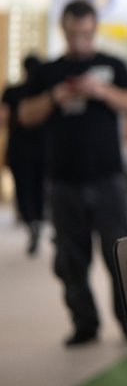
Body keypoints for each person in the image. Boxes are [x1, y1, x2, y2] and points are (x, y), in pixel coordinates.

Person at [18, 0, 127, 346]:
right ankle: (84, 324)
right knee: (70, 259)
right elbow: (25, 115)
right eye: (74, 34)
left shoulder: (112, 64)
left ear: (94, 29)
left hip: (107, 177)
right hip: (63, 180)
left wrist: (100, 90)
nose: (80, 41)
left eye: (86, 34)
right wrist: (55, 96)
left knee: (119, 256)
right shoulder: (48, 72)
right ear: (64, 29)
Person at [1, 53, 47, 255]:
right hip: (44, 148)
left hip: (19, 148)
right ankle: (39, 220)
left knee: (23, 188)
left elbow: (3, 119)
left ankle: (31, 222)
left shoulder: (13, 92)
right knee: (40, 187)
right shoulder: (45, 94)